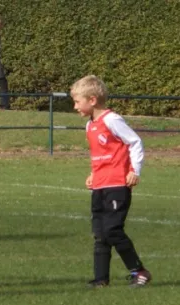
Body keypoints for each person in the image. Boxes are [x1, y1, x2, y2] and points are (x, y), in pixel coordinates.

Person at [70, 75, 151, 288]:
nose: (75, 106)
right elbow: (100, 153)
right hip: (99, 185)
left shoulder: (112, 120)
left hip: (117, 185)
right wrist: (93, 173)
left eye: (77, 102)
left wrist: (135, 170)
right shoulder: (90, 125)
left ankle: (139, 271)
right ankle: (101, 279)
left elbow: (135, 142)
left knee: (112, 230)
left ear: (92, 100)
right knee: (100, 234)